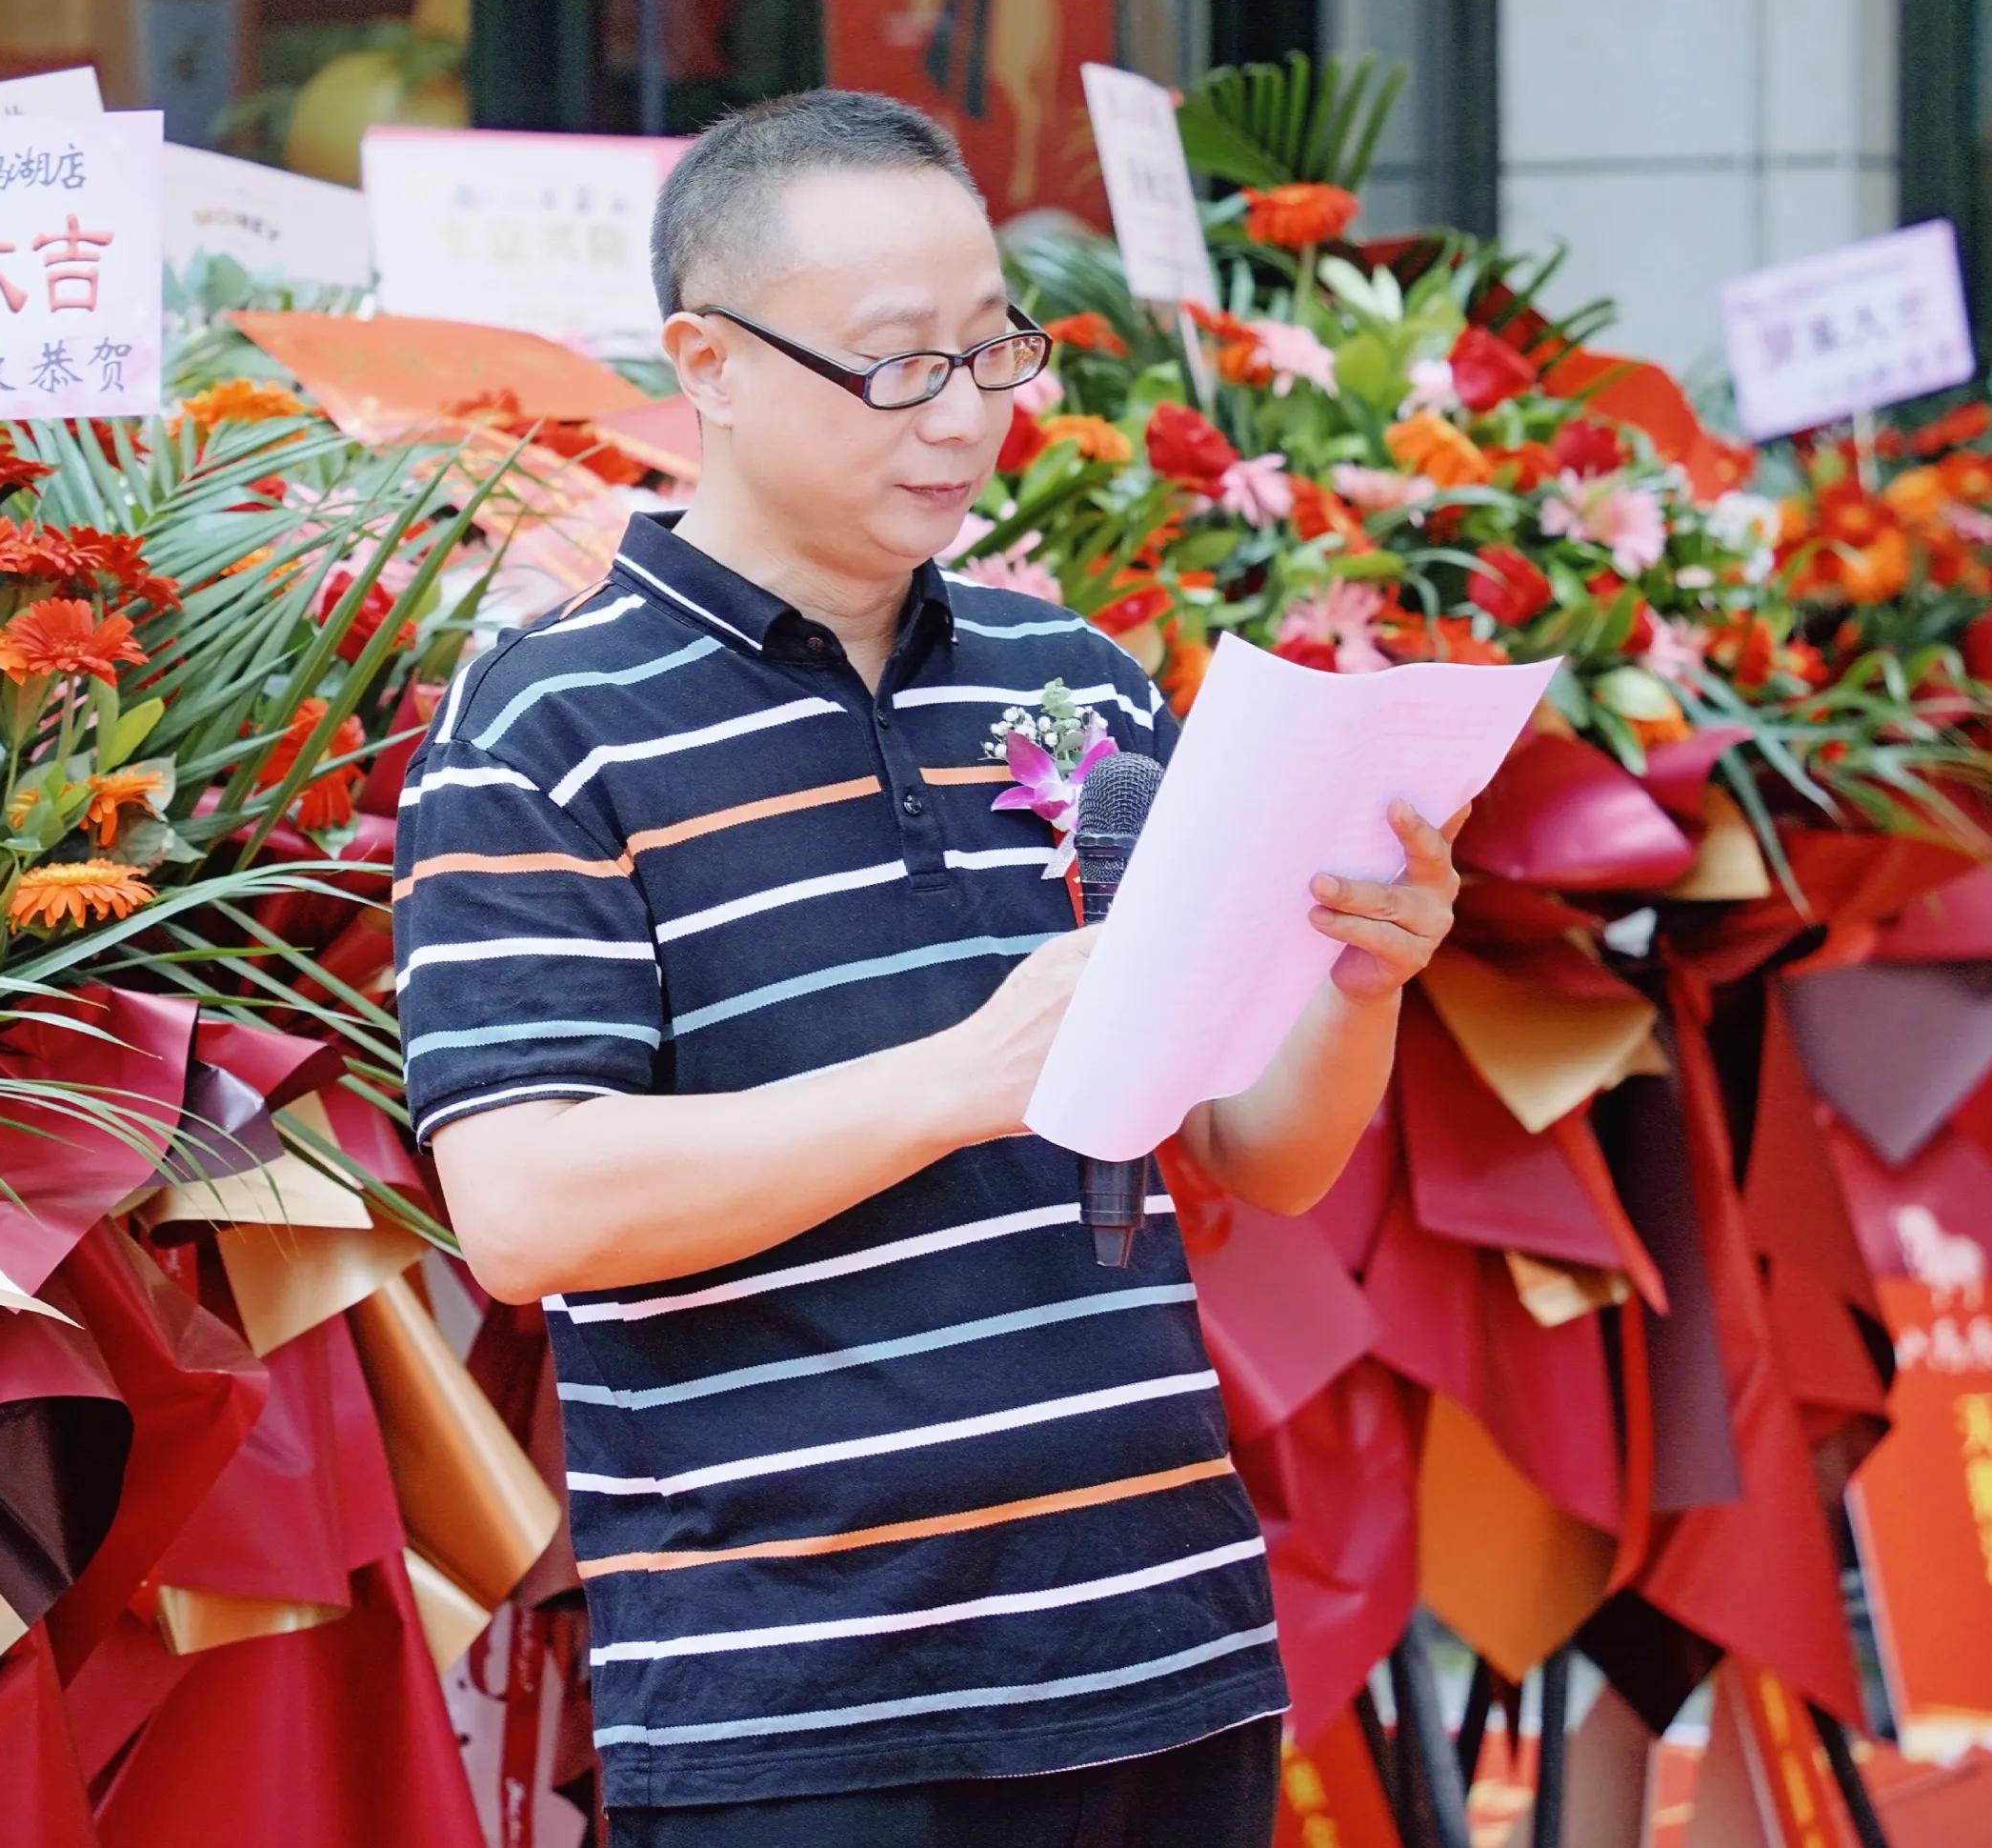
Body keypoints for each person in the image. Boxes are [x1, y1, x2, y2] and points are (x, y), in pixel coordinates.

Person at [391, 90, 1462, 1845]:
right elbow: (525, 1207)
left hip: (1156, 1636)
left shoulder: (1078, 682)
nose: (965, 416)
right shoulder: (546, 726)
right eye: (897, 365)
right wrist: (960, 1078)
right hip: (806, 1699)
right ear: (708, 363)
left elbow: (1255, 1152)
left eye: (993, 351)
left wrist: (1365, 980)